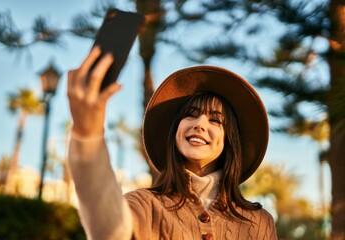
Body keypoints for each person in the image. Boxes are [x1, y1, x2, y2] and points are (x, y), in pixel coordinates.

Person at [67, 46, 278, 240]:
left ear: (229, 140)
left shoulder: (260, 222)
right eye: (190, 115)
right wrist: (88, 135)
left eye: (215, 120)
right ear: (176, 130)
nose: (200, 124)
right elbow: (109, 230)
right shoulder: (143, 204)